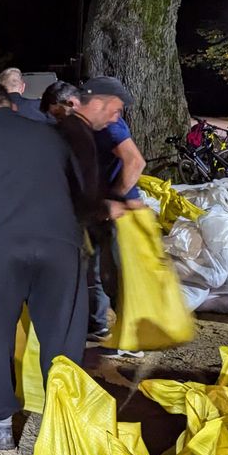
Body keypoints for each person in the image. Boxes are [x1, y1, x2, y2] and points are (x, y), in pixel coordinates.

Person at [0, 84, 87, 451]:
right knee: (61, 338)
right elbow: (80, 190)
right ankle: (66, 425)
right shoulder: (50, 136)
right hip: (59, 245)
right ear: (12, 105)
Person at [55, 77, 142, 351]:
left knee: (114, 272)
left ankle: (131, 337)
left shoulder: (110, 124)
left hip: (115, 210)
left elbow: (135, 161)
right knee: (94, 270)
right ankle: (98, 325)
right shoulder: (82, 128)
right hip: (96, 207)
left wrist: (115, 199)